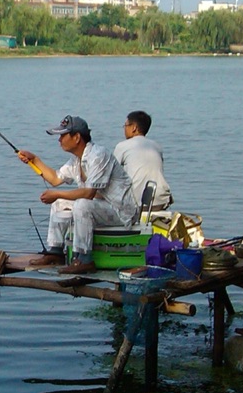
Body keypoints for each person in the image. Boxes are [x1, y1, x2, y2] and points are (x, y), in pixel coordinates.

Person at [17, 115, 139, 275]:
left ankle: (84, 259)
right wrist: (35, 160)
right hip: (101, 208)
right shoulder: (77, 160)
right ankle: (55, 253)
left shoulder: (98, 155)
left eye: (63, 135)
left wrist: (56, 194)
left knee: (82, 204)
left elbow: (88, 193)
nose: (59, 139)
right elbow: (55, 179)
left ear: (76, 137)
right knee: (60, 202)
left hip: (121, 213)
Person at [113, 110, 173, 210]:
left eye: (126, 125)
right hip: (161, 200)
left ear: (134, 128)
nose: (124, 129)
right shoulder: (156, 146)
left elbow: (110, 173)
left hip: (138, 201)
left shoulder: (122, 146)